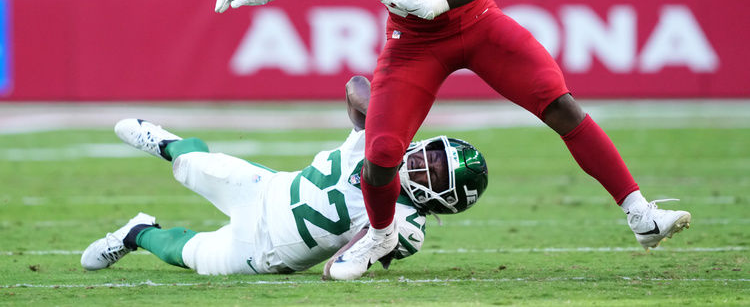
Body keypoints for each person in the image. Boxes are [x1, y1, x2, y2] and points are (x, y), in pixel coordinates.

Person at [214, 0, 691, 280]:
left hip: (475, 23)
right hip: (412, 40)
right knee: (381, 154)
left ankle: (640, 213)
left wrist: (437, 2)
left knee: (559, 104)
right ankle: (380, 236)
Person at [80, 75, 489, 276]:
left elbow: (337, 271)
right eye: (432, 154)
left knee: (186, 255)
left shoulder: (408, 224)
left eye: (436, 172)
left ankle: (137, 233)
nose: (423, 163)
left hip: (265, 253)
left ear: (441, 200)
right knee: (190, 165)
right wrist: (385, 114)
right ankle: (168, 143)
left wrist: (374, 241)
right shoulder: (383, 142)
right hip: (266, 190)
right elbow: (356, 86)